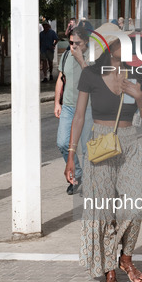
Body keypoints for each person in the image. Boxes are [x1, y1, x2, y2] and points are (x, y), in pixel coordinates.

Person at [64, 23, 142, 282]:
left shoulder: (138, 73)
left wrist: (140, 98)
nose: (123, 46)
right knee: (102, 212)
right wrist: (70, 156)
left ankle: (125, 257)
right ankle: (110, 273)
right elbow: (79, 116)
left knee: (135, 205)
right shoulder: (90, 74)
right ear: (106, 46)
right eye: (117, 42)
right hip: (100, 142)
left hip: (130, 144)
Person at [54, 26, 93, 195]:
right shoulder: (65, 55)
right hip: (69, 107)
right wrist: (57, 102)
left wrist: (81, 60)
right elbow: (61, 79)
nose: (73, 47)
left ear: (86, 42)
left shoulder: (93, 57)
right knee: (62, 142)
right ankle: (77, 173)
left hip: (88, 107)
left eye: (77, 43)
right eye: (71, 43)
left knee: (86, 147)